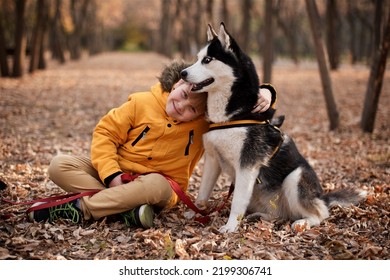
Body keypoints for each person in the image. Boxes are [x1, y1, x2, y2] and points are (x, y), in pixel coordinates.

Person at [29, 61, 277, 229]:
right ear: (177, 84)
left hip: (161, 185)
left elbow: (240, 97)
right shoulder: (140, 102)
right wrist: (112, 174)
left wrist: (265, 92)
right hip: (117, 174)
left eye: (191, 109)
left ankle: (81, 208)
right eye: (183, 96)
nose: (182, 106)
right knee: (59, 165)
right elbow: (105, 134)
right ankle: (126, 209)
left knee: (155, 184)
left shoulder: (204, 125)